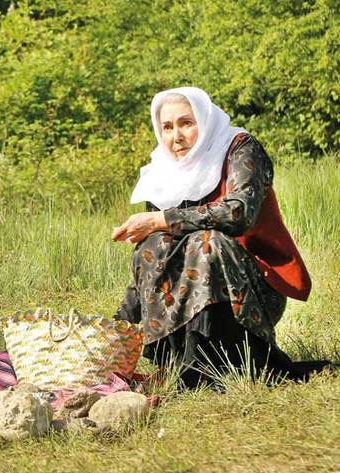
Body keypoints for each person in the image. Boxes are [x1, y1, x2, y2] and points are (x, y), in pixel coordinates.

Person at [112, 87, 329, 388]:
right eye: (167, 127)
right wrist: (117, 326)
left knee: (208, 242)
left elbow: (237, 214)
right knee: (156, 242)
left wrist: (162, 219)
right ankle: (184, 367)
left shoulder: (239, 149)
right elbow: (153, 260)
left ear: (204, 119)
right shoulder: (163, 172)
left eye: (186, 123)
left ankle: (246, 360)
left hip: (251, 287)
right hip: (190, 291)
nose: (177, 136)